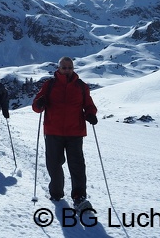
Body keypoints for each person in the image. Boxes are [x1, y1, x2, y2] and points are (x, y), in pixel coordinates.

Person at [32, 56, 98, 211]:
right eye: (64, 67)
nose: (67, 70)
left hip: (75, 131)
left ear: (73, 68)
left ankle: (79, 197)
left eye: (70, 68)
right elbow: (36, 106)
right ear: (58, 68)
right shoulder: (49, 85)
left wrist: (90, 114)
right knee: (54, 163)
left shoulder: (81, 86)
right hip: (53, 131)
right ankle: (56, 193)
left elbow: (89, 104)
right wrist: (39, 104)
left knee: (77, 166)